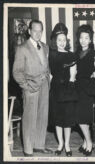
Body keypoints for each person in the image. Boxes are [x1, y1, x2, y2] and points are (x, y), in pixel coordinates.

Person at [13, 20, 52, 156]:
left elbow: (46, 66)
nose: (37, 33)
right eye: (35, 30)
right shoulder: (22, 48)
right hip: (30, 88)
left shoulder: (45, 47)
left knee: (42, 116)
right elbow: (16, 72)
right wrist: (26, 86)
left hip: (44, 87)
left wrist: (48, 77)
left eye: (40, 30)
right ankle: (28, 149)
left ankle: (39, 145)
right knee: (29, 118)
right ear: (29, 31)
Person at [49, 23, 77, 157]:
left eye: (64, 40)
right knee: (57, 118)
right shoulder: (51, 54)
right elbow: (49, 73)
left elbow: (73, 74)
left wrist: (69, 87)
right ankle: (60, 144)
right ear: (55, 41)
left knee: (67, 119)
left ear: (67, 41)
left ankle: (67, 144)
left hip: (67, 89)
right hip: (55, 89)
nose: (61, 42)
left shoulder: (71, 55)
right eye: (59, 40)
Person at [75, 24, 95, 156]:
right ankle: (86, 142)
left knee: (82, 118)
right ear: (78, 39)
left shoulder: (93, 53)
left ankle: (89, 142)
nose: (83, 40)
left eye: (86, 38)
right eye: (81, 37)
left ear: (90, 40)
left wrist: (90, 75)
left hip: (87, 89)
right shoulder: (77, 53)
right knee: (80, 117)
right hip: (77, 88)